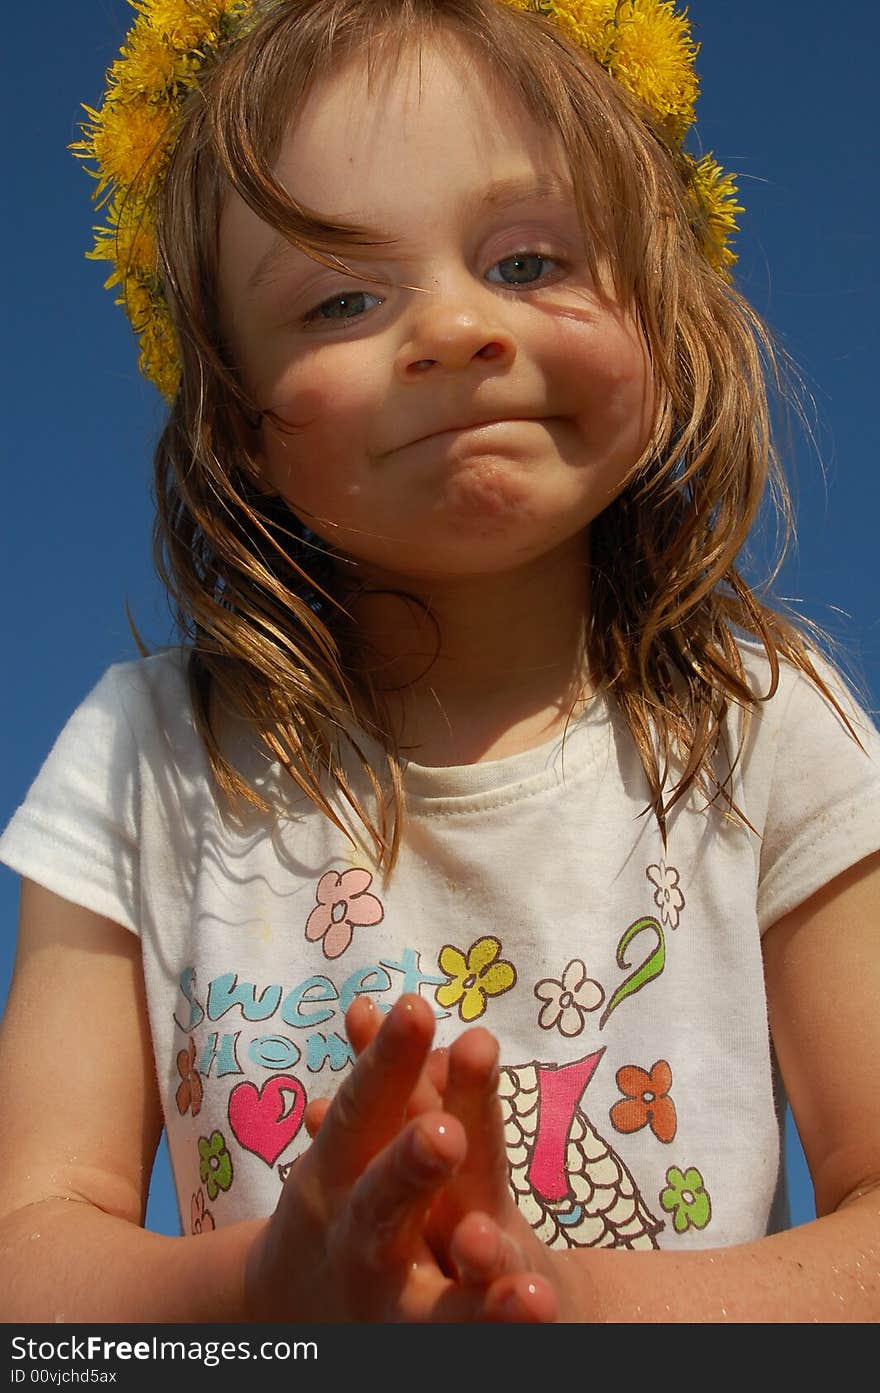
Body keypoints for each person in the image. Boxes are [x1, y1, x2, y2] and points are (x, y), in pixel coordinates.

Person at [0, 0, 878, 1324]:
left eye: (527, 262)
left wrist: (568, 1299)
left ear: (662, 292)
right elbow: (28, 1252)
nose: (459, 327)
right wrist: (270, 1284)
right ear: (237, 423)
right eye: (343, 296)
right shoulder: (142, 761)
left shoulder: (764, 724)